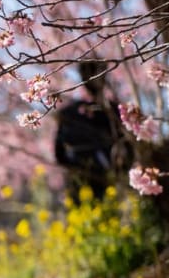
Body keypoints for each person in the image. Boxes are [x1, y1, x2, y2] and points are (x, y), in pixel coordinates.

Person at [54, 59, 130, 202]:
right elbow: (59, 153)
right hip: (98, 177)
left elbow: (59, 154)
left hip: (89, 178)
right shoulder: (115, 110)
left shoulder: (69, 112)